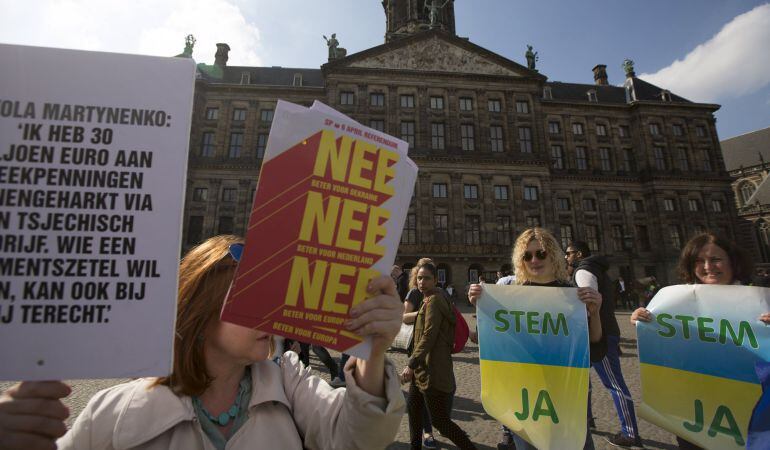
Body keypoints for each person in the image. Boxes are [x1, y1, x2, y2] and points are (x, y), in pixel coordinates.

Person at [0, 235, 406, 450]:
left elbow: (357, 438)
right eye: (250, 297)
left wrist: (371, 352)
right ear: (200, 306)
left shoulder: (289, 380)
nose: (270, 313)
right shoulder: (112, 413)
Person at [630, 232, 770, 450]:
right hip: (695, 415)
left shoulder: (761, 300)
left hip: (754, 413)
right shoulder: (676, 303)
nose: (708, 267)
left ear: (732, 261)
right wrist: (646, 323)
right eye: (699, 261)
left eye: (715, 259)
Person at [469, 228, 603, 450]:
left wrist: (595, 311)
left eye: (541, 253)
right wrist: (484, 308)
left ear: (553, 254)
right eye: (527, 255)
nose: (534, 260)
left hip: (565, 391)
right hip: (525, 396)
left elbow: (595, 344)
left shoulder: (572, 294)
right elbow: (494, 344)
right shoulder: (511, 295)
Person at [566, 241, 642, 448]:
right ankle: (587, 418)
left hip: (599, 335)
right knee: (583, 379)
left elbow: (588, 307)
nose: (566, 257)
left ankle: (630, 432)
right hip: (598, 333)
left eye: (569, 253)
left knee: (614, 384)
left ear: (579, 254)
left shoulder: (583, 271)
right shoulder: (597, 269)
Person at [401, 261, 477, 450]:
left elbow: (429, 335)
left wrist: (411, 364)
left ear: (435, 280)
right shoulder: (427, 299)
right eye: (419, 278)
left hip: (432, 371)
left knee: (440, 422)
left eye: (427, 278)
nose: (422, 282)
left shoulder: (434, 300)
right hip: (422, 369)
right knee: (413, 409)